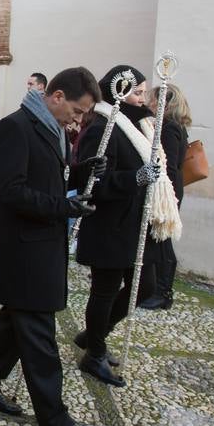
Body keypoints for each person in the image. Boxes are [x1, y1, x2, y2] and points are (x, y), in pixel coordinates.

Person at [0, 67, 106, 426]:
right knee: (40, 338)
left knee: (14, 323)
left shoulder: (55, 129)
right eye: (77, 111)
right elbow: (9, 191)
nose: (78, 120)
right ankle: (54, 419)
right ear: (57, 96)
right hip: (24, 251)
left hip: (43, 246)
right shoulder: (15, 127)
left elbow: (48, 176)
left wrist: (79, 171)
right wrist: (64, 206)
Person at [70, 64, 159, 388]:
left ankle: (95, 334)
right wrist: (135, 178)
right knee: (104, 291)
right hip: (109, 224)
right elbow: (94, 182)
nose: (142, 99)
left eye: (143, 92)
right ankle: (94, 354)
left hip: (134, 225)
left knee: (146, 286)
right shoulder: (103, 128)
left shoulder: (137, 129)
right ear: (119, 93)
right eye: (137, 92)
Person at [139, 83, 190, 311]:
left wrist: (161, 192)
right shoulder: (173, 125)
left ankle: (163, 292)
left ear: (163, 103)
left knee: (162, 239)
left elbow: (166, 164)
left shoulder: (169, 127)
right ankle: (158, 290)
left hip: (166, 189)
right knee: (160, 237)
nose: (149, 102)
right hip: (169, 188)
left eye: (153, 99)